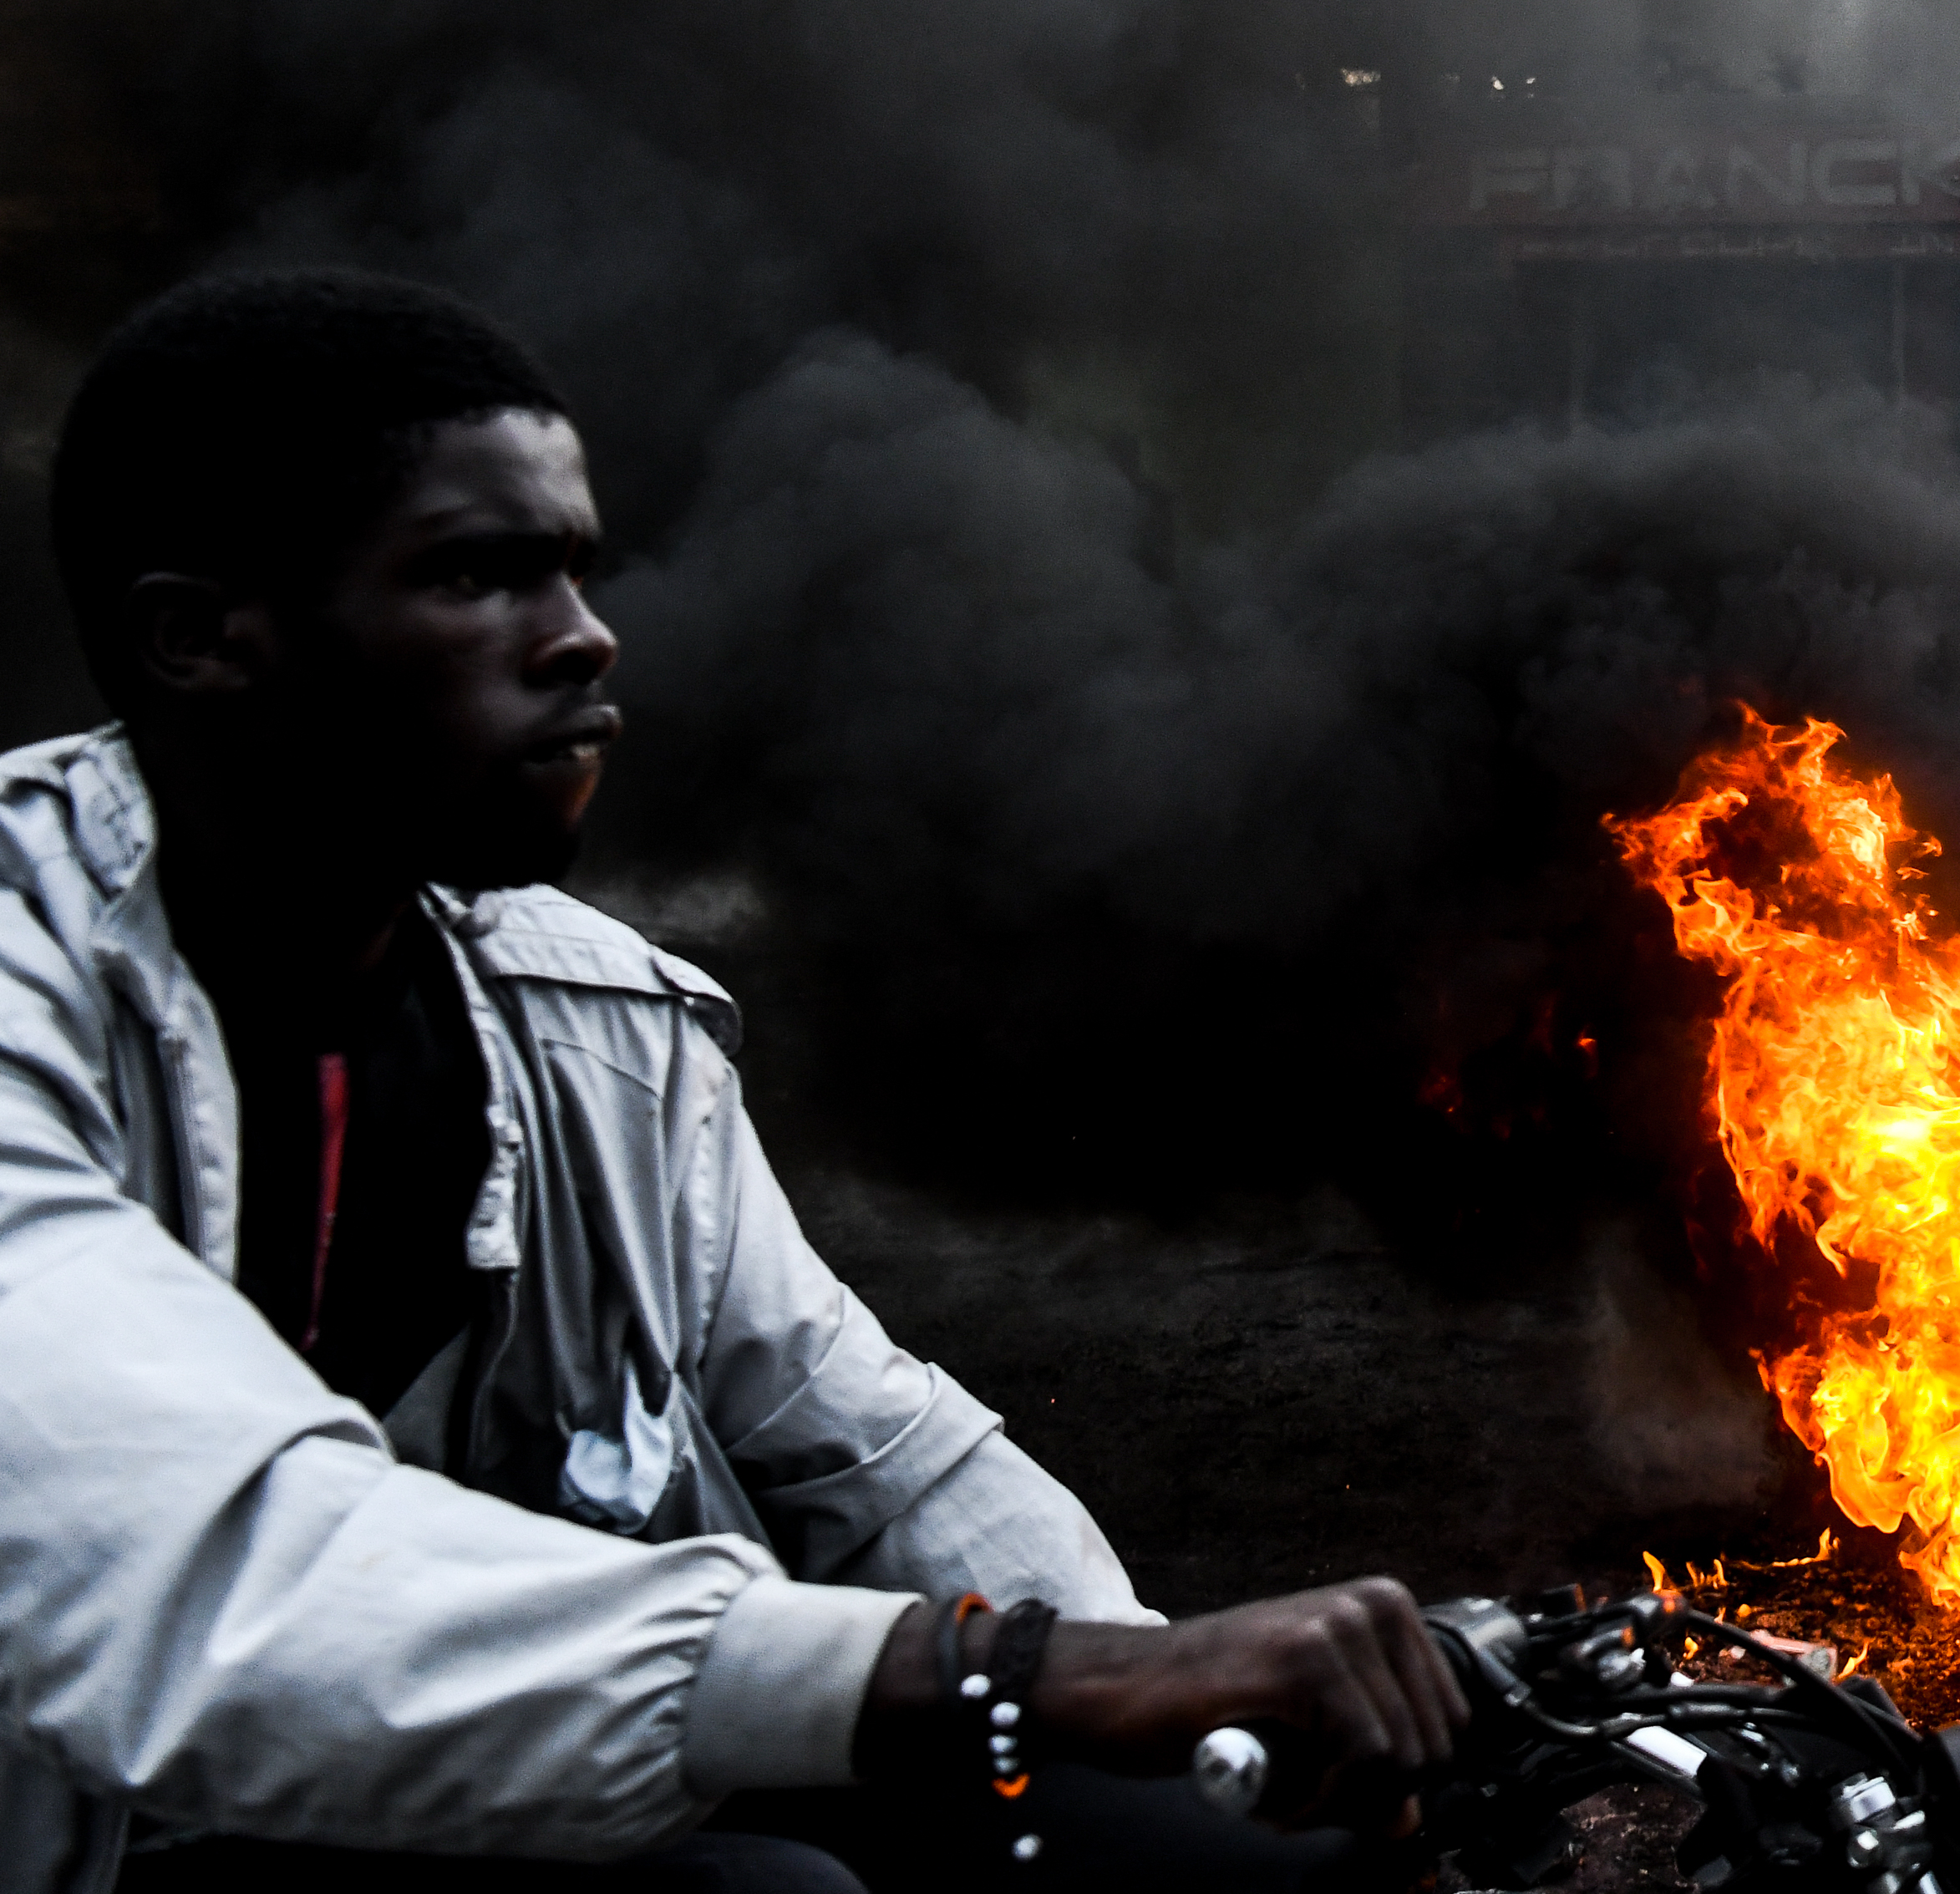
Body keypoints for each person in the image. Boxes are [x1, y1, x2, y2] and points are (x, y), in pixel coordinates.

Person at [1, 272, 1465, 1894]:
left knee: (1247, 1855)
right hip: (123, 1821)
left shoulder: (593, 1021)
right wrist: (1010, 1675)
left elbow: (872, 1444)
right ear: (201, 639)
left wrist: (1167, 1703)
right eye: (479, 576)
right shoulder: (24, 989)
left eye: (576, 566)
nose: (584, 635)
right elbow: (222, 1581)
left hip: (493, 1762)